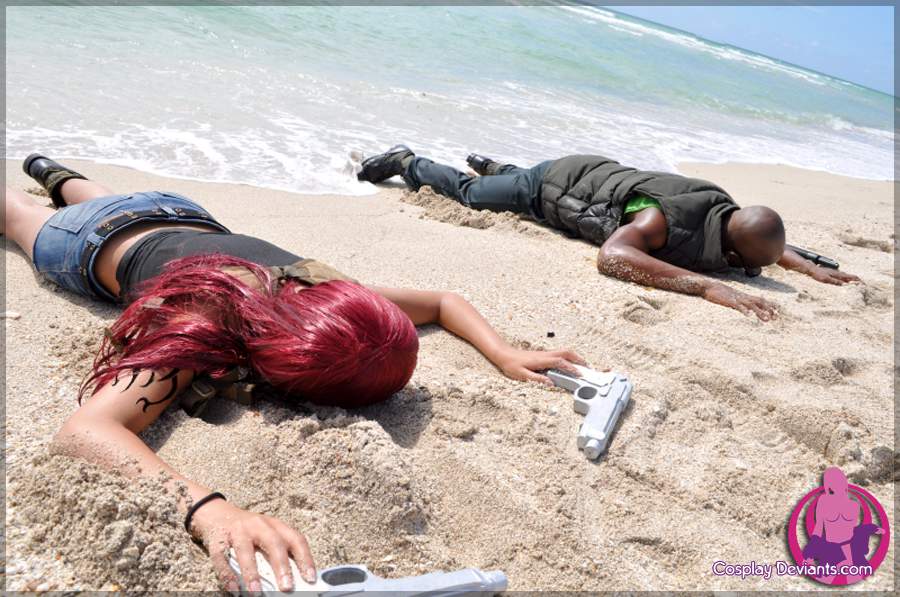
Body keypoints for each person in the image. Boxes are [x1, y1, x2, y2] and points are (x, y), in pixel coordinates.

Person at [4, 154, 585, 593]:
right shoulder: (202, 322)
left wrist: (503, 352)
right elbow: (86, 431)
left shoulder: (320, 292)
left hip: (171, 210)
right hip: (87, 243)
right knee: (18, 217)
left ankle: (53, 172)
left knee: (97, 197)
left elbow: (441, 301)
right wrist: (208, 508)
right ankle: (48, 182)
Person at [357, 146, 860, 321]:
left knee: (502, 180)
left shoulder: (727, 212)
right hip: (554, 185)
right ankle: (410, 161)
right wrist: (706, 286)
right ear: (730, 250)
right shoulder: (661, 222)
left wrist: (806, 265)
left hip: (599, 173)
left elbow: (759, 238)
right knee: (471, 194)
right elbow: (614, 255)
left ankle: (495, 166)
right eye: (746, 267)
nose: (746, 272)